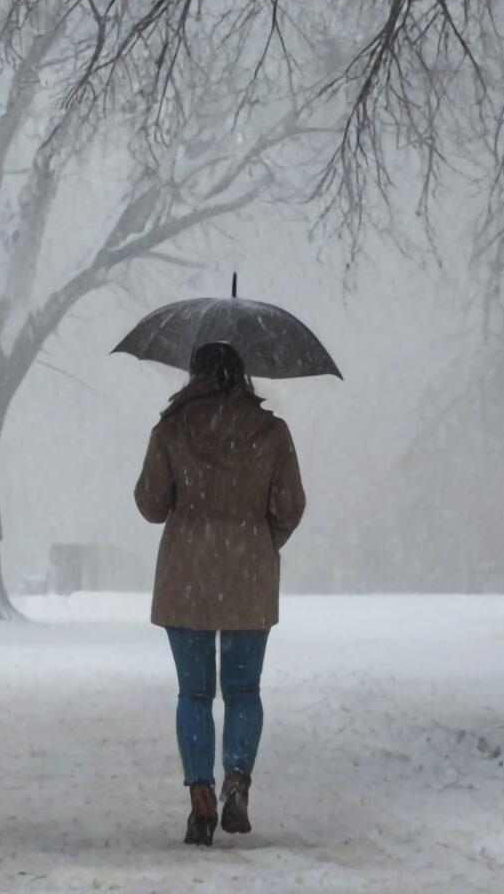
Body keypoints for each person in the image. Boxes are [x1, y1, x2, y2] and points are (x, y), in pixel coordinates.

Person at [133, 340, 306, 846]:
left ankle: (200, 796)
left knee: (194, 693)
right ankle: (237, 778)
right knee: (243, 689)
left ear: (194, 374)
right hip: (249, 575)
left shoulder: (172, 428)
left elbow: (150, 504)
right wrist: (258, 541)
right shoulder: (272, 432)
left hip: (186, 571)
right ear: (244, 375)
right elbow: (291, 505)